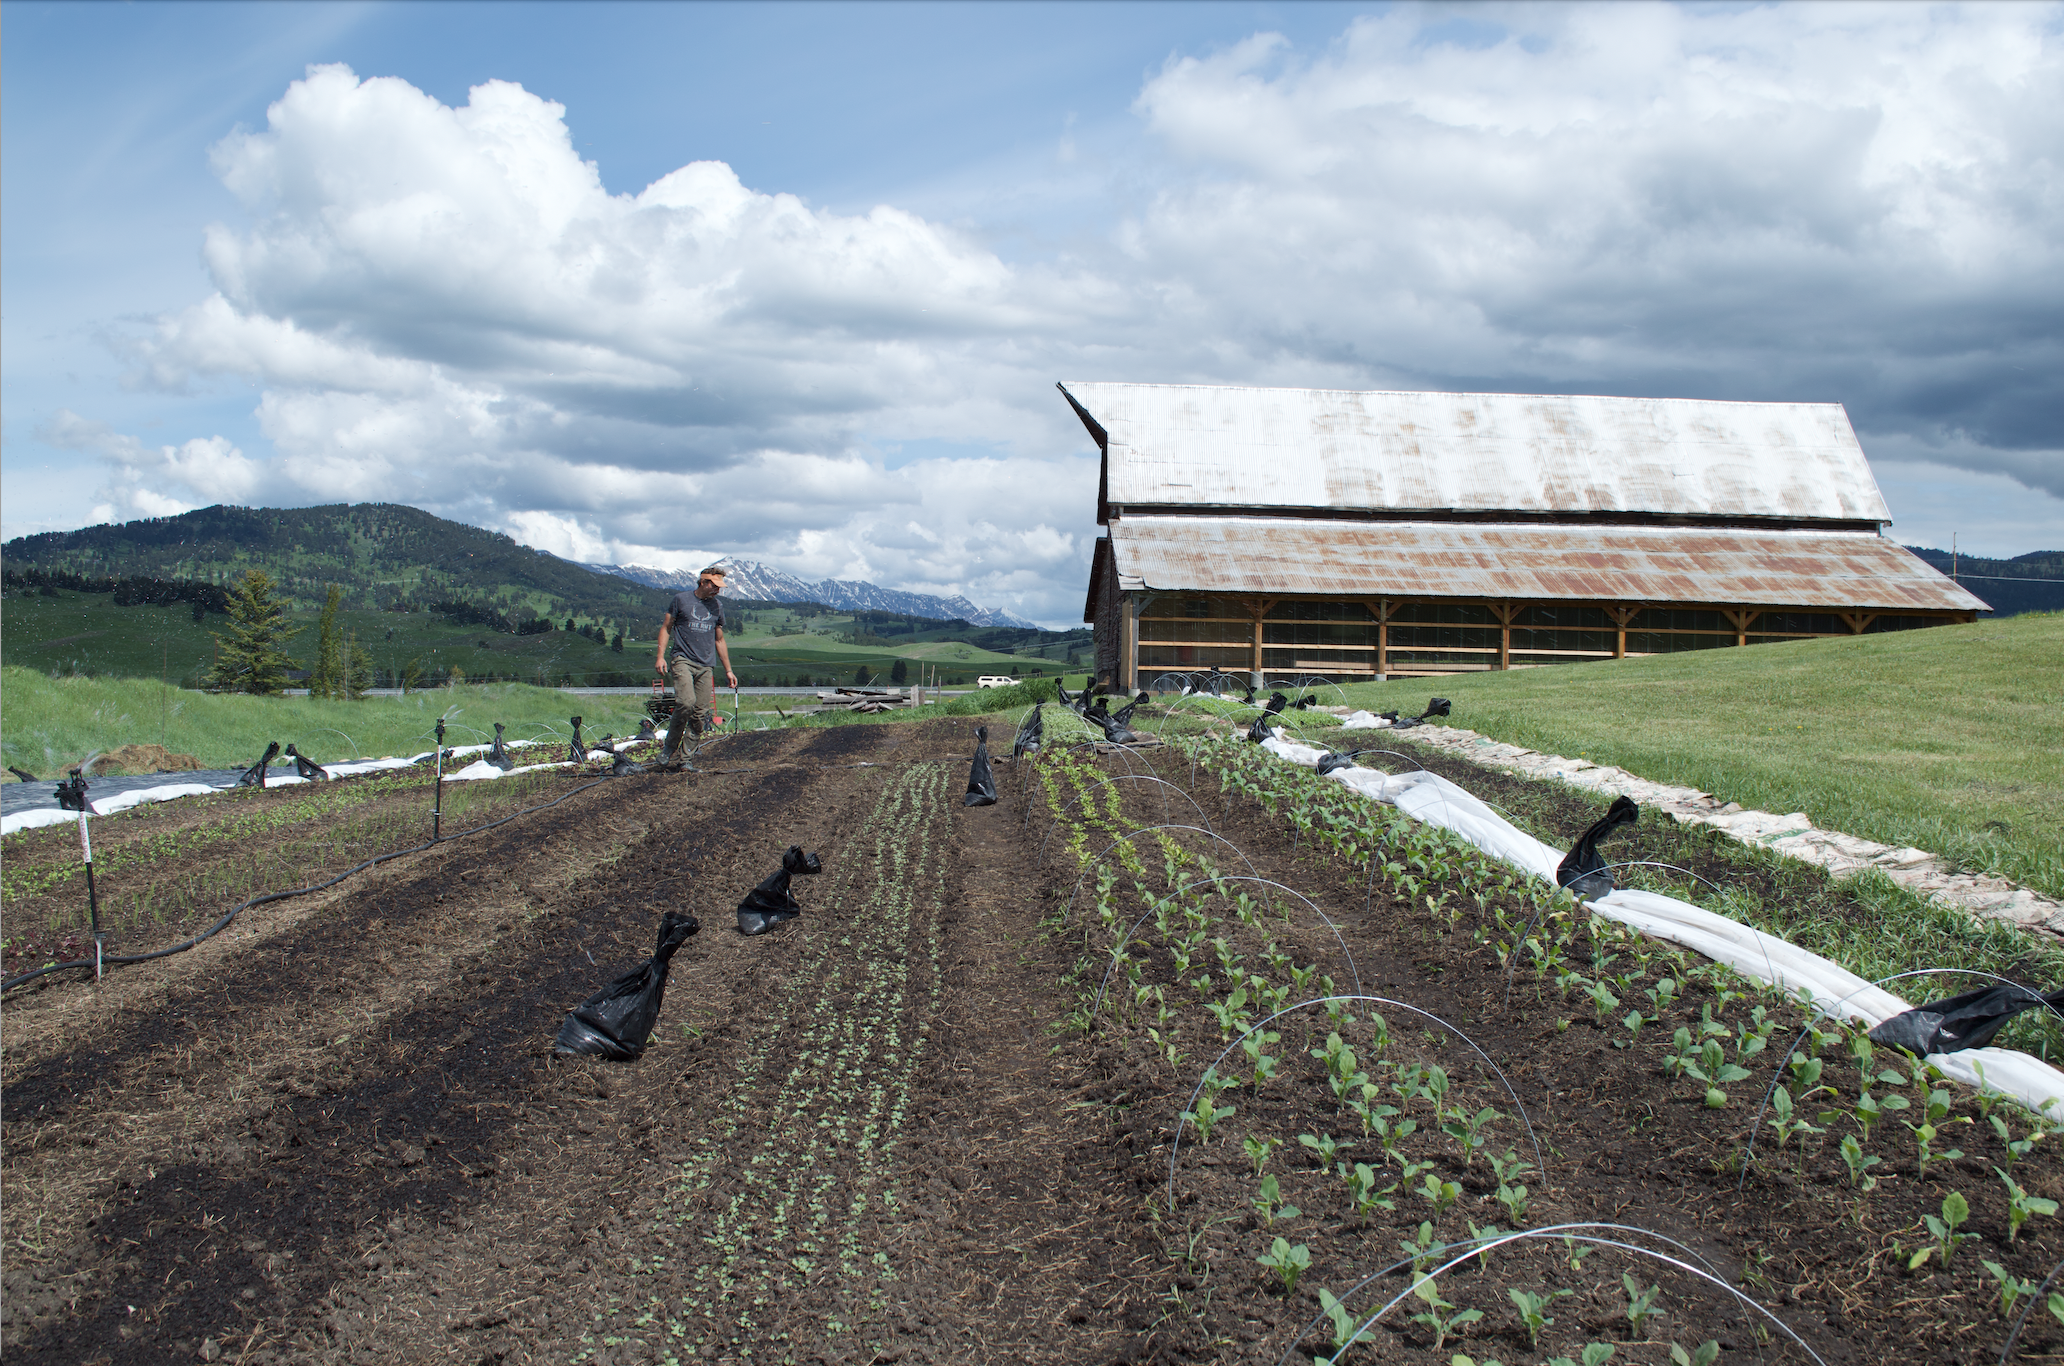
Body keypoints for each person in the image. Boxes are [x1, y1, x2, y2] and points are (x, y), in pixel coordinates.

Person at [654, 565, 738, 766]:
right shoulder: (681, 600)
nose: (718, 590)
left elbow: (719, 640)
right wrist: (660, 656)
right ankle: (668, 749)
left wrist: (728, 670)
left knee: (700, 714)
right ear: (703, 582)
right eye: (714, 585)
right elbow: (666, 628)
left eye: (720, 587)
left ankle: (686, 759)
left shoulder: (717, 607)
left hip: (705, 665)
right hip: (683, 659)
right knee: (685, 703)